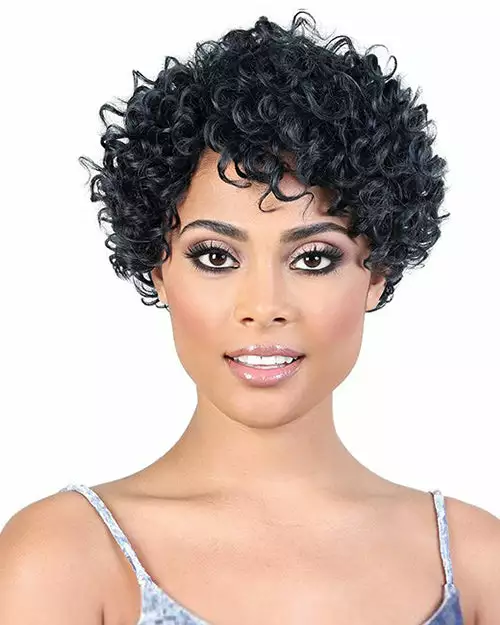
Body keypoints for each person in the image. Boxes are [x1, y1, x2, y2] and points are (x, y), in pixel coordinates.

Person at [0, 10, 498, 625]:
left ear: (377, 273)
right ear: (158, 269)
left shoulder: (476, 564)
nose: (263, 307)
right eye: (216, 256)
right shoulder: (63, 558)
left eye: (313, 258)